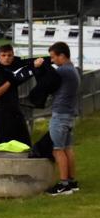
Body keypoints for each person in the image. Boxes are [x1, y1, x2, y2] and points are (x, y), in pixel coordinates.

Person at [42, 41, 80, 195]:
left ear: (62, 55)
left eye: (53, 57)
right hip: (70, 114)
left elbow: (48, 79)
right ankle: (71, 181)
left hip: (60, 114)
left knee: (58, 150)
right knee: (67, 148)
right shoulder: (73, 69)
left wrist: (41, 66)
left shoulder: (63, 71)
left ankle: (64, 184)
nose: (52, 61)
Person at [0, 44, 32, 146]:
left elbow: (29, 69)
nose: (7, 58)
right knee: (6, 147)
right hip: (3, 115)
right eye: (3, 55)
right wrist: (10, 82)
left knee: (25, 146)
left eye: (9, 55)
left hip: (16, 113)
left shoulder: (14, 70)